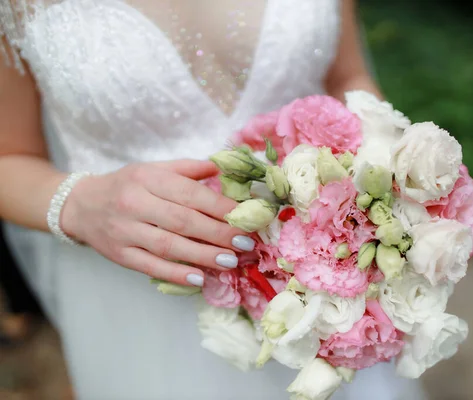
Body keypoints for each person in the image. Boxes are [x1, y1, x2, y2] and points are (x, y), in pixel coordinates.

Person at [0, 1, 426, 398]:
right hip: (145, 305)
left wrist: (388, 172)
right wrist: (77, 203)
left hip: (334, 281)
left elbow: (346, 77)